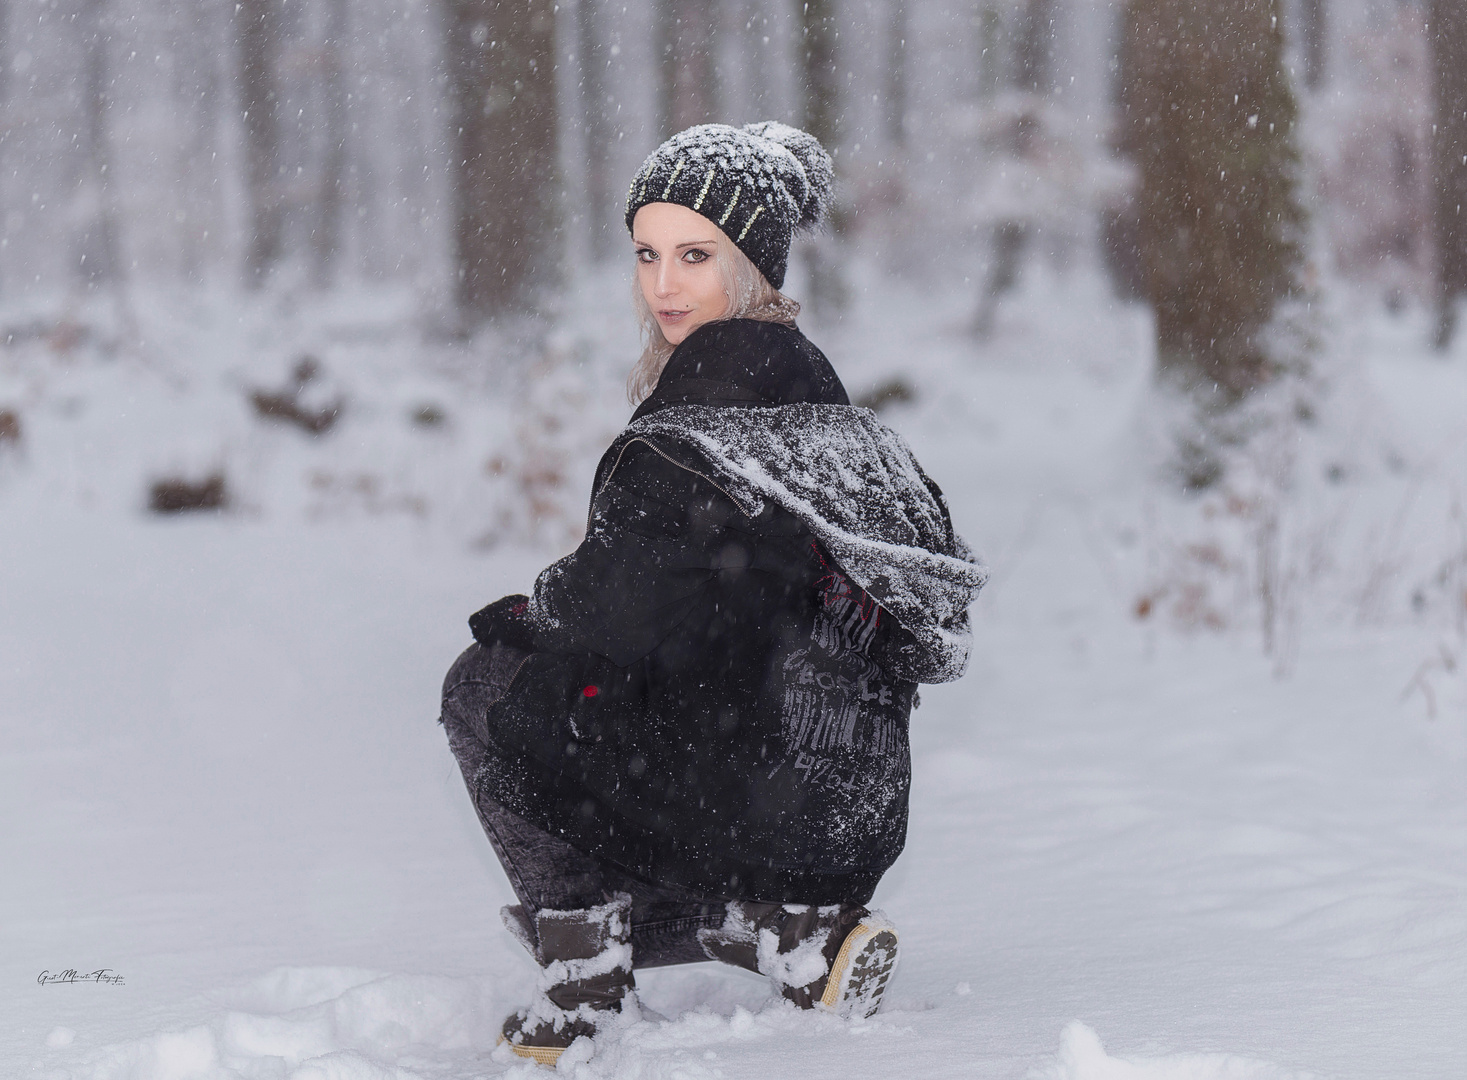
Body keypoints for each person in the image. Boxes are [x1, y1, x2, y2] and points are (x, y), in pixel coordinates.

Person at [438, 121, 986, 1066]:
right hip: (851, 811)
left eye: (696, 255)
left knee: (489, 686)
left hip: (756, 790)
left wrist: (527, 616)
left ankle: (585, 983)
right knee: (642, 710)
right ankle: (786, 932)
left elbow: (609, 609)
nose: (663, 286)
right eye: (647, 255)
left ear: (755, 267)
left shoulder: (702, 419)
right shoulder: (830, 418)